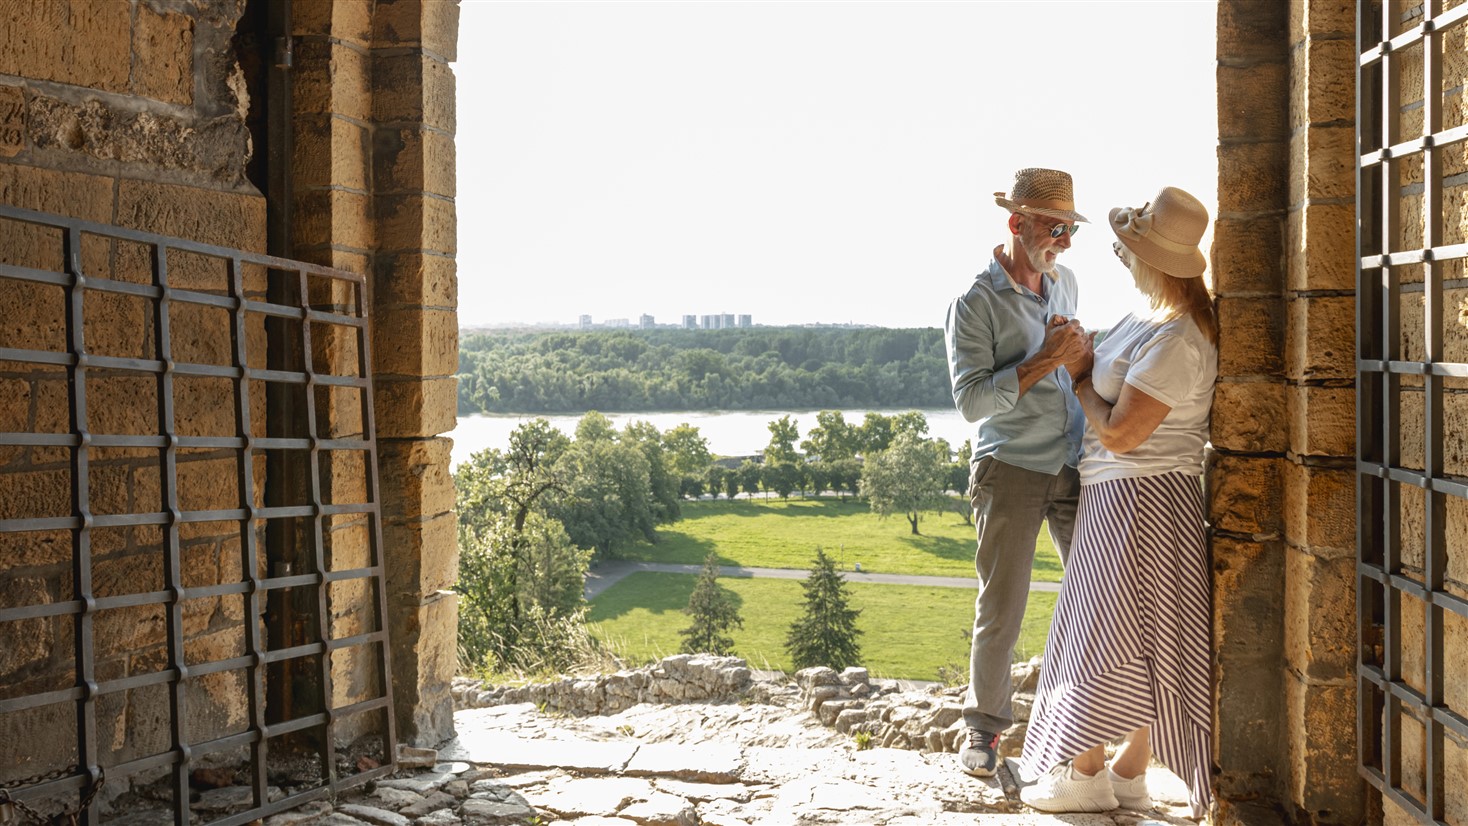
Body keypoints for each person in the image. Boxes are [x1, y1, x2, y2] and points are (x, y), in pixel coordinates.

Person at [1018, 186, 1218, 817]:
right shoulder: (1155, 318)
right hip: (1130, 499)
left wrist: (1079, 375)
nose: (1120, 256)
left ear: (1154, 260)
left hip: (1141, 501)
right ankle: (1128, 774)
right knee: (1139, 634)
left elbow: (1123, 435)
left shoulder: (1177, 336)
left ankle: (1083, 776)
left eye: (1129, 248)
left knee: (1101, 634)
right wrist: (1088, 347)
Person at [945, 167, 1092, 777]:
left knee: (1095, 597)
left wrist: (1080, 355)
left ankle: (1085, 731)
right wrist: (1042, 361)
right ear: (1017, 223)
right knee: (1002, 606)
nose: (1062, 241)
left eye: (1069, 230)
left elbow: (1076, 368)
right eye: (1054, 228)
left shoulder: (1068, 285)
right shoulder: (974, 304)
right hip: (1010, 467)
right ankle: (982, 734)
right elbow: (972, 403)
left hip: (1075, 463)